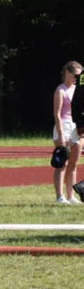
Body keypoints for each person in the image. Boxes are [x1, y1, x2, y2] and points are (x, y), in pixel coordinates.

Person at [53, 60, 82, 203]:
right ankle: (60, 196)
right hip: (63, 125)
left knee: (74, 162)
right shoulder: (61, 90)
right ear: (67, 73)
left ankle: (71, 195)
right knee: (63, 162)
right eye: (75, 75)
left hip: (76, 125)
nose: (77, 78)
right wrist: (61, 133)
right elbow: (57, 114)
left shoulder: (78, 90)